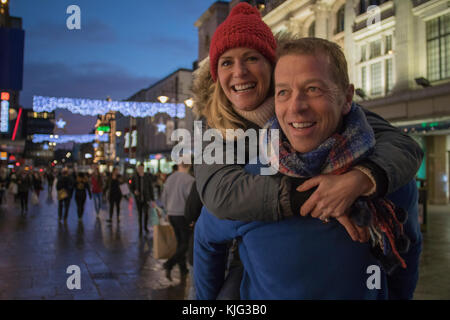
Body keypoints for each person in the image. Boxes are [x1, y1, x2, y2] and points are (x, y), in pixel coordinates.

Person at [192, 3, 423, 298]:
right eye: (226, 62)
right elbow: (218, 200)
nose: (239, 72)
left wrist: (362, 179)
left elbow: (400, 145)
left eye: (252, 57)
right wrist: (319, 195)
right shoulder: (215, 131)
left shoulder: (361, 142)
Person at [160, 161, 195, 281]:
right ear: (189, 165)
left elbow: (163, 196)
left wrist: (167, 211)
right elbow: (191, 201)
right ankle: (170, 263)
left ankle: (183, 269)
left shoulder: (170, 178)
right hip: (183, 215)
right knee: (186, 243)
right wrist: (192, 217)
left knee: (180, 242)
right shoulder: (189, 180)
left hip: (172, 214)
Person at [130, 164, 154, 234]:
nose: (140, 169)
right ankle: (140, 228)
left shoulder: (147, 177)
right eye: (139, 168)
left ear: (143, 168)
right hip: (138, 198)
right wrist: (134, 191)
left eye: (141, 168)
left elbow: (150, 187)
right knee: (139, 214)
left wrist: (152, 199)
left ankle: (145, 227)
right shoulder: (135, 177)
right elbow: (131, 186)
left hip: (146, 198)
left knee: (146, 213)